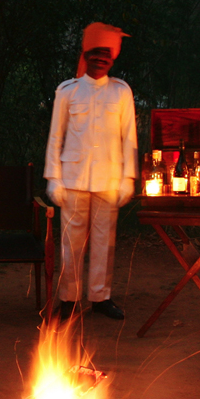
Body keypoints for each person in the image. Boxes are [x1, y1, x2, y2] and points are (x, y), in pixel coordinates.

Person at [44, 22, 138, 320]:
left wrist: (128, 178)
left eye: (106, 55)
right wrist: (53, 178)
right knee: (71, 245)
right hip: (72, 180)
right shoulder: (68, 91)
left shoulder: (121, 92)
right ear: (86, 55)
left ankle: (100, 297)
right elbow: (56, 136)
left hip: (108, 180)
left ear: (113, 59)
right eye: (95, 54)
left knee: (104, 243)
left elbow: (129, 138)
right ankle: (69, 300)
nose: (101, 60)